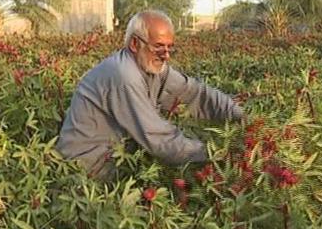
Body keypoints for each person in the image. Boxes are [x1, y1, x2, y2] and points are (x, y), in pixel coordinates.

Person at [56, 10, 244, 180]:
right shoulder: (123, 76)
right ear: (135, 44)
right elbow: (159, 139)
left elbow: (194, 93)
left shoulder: (152, 67)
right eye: (159, 46)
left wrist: (238, 114)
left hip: (114, 162)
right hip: (85, 173)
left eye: (170, 47)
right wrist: (217, 154)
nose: (166, 55)